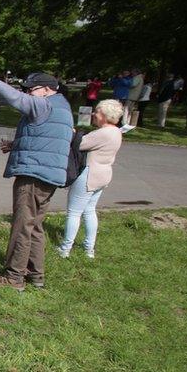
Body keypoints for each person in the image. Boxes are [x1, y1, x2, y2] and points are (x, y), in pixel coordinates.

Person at [0, 57, 73, 291]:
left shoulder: (44, 105)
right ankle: (36, 276)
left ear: (48, 89)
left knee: (21, 225)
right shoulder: (62, 107)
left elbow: (14, 98)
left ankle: (14, 277)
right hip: (48, 175)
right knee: (35, 226)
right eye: (27, 89)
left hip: (33, 175)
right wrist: (17, 144)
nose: (28, 92)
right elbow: (46, 139)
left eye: (32, 89)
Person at [59, 99, 123, 259]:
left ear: (105, 115)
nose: (94, 114)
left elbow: (79, 145)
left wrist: (74, 133)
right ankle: (89, 249)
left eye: (98, 112)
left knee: (73, 213)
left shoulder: (103, 133)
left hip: (89, 174)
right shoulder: (116, 132)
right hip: (104, 174)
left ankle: (65, 249)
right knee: (89, 211)